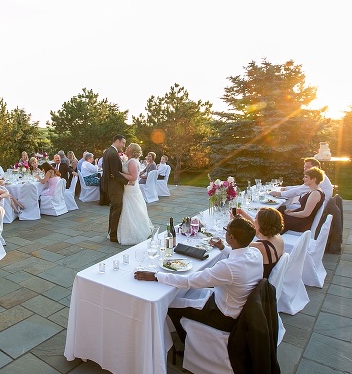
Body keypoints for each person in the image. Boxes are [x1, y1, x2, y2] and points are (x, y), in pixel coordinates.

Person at [134, 217, 262, 342]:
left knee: (169, 305)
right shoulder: (255, 253)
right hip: (235, 306)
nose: (225, 232)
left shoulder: (228, 267)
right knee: (182, 295)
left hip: (224, 316)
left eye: (226, 230)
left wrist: (156, 276)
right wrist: (222, 247)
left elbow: (189, 281)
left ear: (232, 237)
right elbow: (236, 257)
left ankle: (185, 343)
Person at [117, 143, 153, 245]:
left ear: (132, 151)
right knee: (131, 209)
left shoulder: (132, 161)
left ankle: (133, 233)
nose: (126, 148)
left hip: (131, 189)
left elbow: (133, 177)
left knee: (131, 209)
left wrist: (119, 174)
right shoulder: (129, 160)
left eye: (128, 147)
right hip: (129, 187)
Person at [235, 207, 285, 278]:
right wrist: (242, 213)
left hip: (258, 281)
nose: (254, 220)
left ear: (262, 224)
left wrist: (234, 228)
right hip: (270, 276)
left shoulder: (259, 246)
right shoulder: (277, 236)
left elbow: (235, 249)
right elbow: (256, 229)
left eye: (256, 218)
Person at [281, 167, 326, 233]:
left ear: (314, 179)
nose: (303, 179)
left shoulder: (315, 193)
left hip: (302, 223)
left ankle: (271, 237)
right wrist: (291, 211)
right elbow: (304, 208)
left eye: (306, 177)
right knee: (279, 212)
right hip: (301, 219)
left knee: (274, 219)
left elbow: (305, 214)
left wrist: (291, 214)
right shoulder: (313, 190)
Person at [99, 134, 127, 242]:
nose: (123, 145)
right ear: (117, 141)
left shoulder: (107, 151)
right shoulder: (113, 153)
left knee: (113, 209)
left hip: (110, 185)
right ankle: (113, 235)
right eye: (123, 143)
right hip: (115, 187)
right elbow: (115, 172)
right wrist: (127, 181)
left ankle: (111, 232)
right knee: (116, 210)